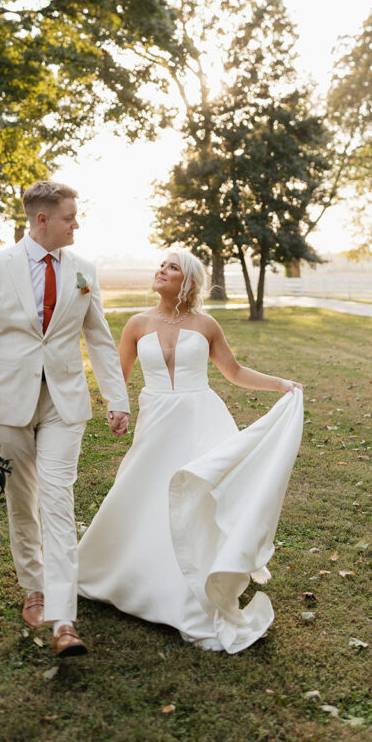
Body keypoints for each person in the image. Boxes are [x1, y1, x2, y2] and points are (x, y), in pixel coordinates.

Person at [77, 249, 304, 653]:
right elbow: (118, 375)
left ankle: (192, 590)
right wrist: (117, 407)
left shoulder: (206, 324)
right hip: (157, 421)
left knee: (199, 498)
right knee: (143, 491)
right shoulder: (136, 323)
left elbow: (233, 372)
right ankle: (123, 574)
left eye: (172, 267)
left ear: (190, 281)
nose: (161, 270)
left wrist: (280, 384)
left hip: (202, 421)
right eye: (161, 265)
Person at [0, 181, 129, 657]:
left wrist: (117, 397)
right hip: (9, 405)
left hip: (65, 404)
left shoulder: (84, 270)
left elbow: (101, 338)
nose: (77, 224)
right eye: (70, 217)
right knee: (23, 499)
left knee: (58, 499)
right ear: (42, 220)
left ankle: (64, 620)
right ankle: (35, 588)